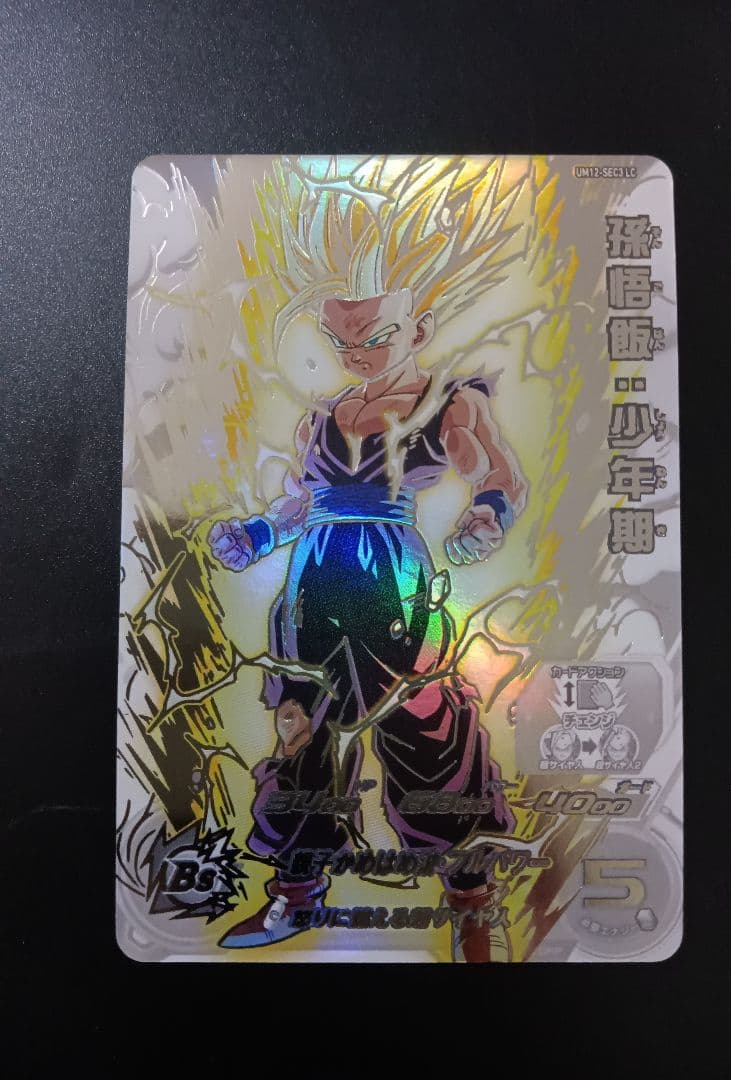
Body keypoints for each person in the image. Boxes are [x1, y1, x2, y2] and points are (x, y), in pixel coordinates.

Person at [207, 159, 530, 960]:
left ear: (417, 328)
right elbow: (301, 502)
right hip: (314, 586)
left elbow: (500, 478)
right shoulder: (320, 417)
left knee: (427, 730)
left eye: (376, 335)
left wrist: (487, 517)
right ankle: (296, 896)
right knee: (302, 732)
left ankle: (471, 902)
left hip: (396, 585)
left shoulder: (449, 402)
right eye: (342, 338)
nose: (356, 353)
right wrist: (257, 535)